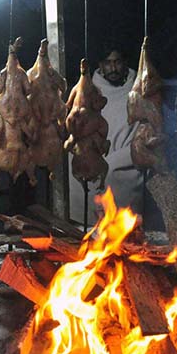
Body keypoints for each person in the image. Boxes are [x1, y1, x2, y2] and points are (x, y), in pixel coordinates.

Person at [69, 48, 141, 224]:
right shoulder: (88, 92)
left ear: (124, 63)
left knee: (121, 227)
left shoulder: (136, 91)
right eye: (108, 63)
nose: (113, 68)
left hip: (124, 169)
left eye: (117, 62)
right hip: (90, 157)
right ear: (101, 65)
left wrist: (114, 161)